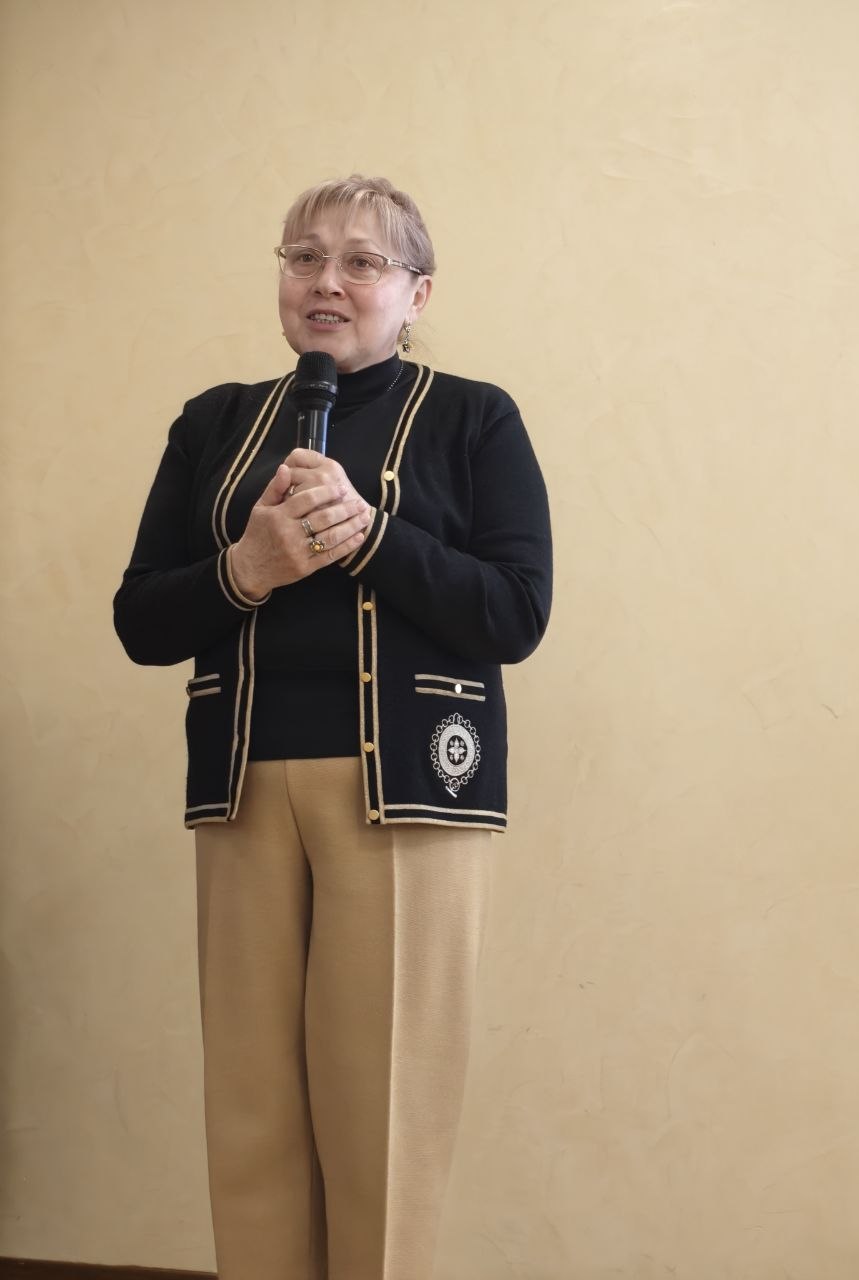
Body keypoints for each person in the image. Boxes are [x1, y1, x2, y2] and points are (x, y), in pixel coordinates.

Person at [113, 174, 552, 1280]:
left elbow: (515, 611)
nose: (328, 281)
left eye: (363, 261)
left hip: (407, 794)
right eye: (304, 257)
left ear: (417, 292)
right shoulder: (214, 421)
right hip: (242, 786)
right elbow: (141, 619)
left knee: (381, 1114)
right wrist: (247, 568)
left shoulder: (474, 417)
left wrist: (372, 535)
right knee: (252, 1109)